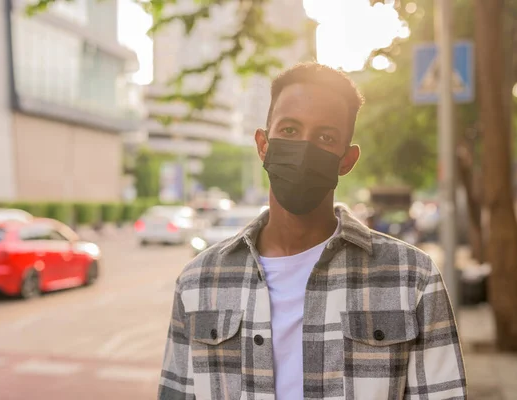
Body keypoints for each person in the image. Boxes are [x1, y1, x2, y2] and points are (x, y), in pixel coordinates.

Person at [158, 62, 466, 400]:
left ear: (346, 161)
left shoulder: (413, 279)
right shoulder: (199, 281)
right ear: (263, 145)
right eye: (289, 131)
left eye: (325, 137)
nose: (304, 149)